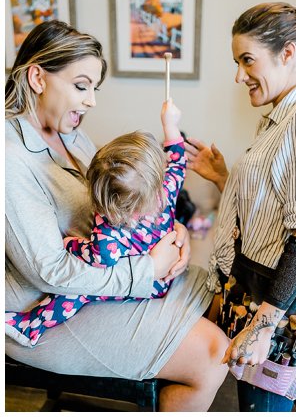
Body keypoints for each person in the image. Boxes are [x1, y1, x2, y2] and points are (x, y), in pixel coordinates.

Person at [5, 21, 228, 411]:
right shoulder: (9, 158)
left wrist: (174, 235)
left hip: (108, 276)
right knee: (213, 354)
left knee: (219, 302)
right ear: (38, 77)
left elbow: (123, 207)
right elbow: (47, 272)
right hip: (44, 308)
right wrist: (147, 270)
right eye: (81, 86)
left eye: (94, 88)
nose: (91, 101)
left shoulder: (71, 134)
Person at [184, 2, 296, 412]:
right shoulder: (277, 117)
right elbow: (274, 207)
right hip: (256, 291)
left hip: (281, 307)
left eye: (247, 60)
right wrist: (222, 177)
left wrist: (263, 326)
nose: (238, 75)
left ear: (287, 53)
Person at [6, 99, 186, 347]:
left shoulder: (111, 231)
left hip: (146, 285)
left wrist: (71, 244)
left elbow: (99, 259)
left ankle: (30, 326)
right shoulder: (166, 190)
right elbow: (178, 162)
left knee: (76, 292)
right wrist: (170, 125)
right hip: (163, 280)